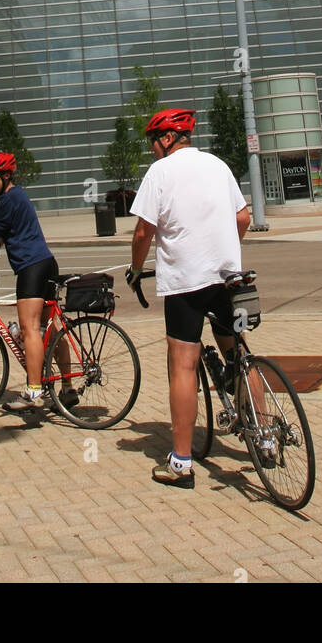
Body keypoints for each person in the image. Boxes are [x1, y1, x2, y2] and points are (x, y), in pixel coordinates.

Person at [126, 108, 250, 489]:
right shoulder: (217, 165)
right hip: (227, 278)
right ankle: (265, 437)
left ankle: (180, 464)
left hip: (186, 284)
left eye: (153, 142)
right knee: (240, 354)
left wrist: (135, 270)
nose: (151, 150)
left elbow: (144, 231)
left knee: (182, 364)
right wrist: (223, 251)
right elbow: (242, 218)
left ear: (166, 139)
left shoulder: (160, 173)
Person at [0, 152, 75, 412]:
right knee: (50, 329)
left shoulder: (8, 199)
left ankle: (33, 391)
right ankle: (67, 388)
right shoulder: (17, 196)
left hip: (31, 267)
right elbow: (0, 239)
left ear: (6, 175)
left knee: (29, 328)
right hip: (46, 263)